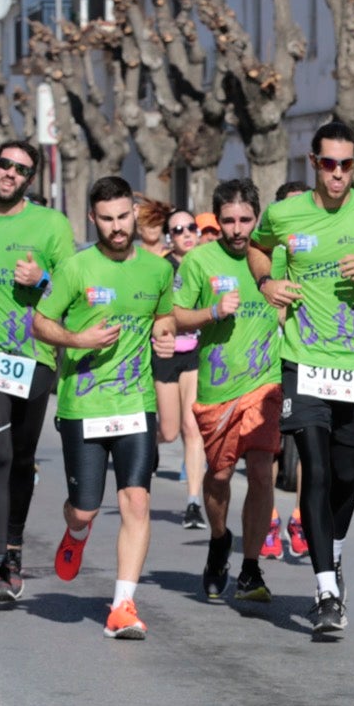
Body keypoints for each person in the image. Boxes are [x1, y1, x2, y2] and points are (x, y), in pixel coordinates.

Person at [247, 121, 354, 636]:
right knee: (316, 472)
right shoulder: (285, 213)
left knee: (346, 475)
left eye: (347, 165)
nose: (338, 174)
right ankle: (325, 592)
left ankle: (335, 552)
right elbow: (258, 246)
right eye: (329, 164)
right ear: (313, 162)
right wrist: (267, 282)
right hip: (303, 360)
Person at [33, 176, 178, 640]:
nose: (117, 227)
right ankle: (76, 533)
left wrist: (165, 332)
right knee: (86, 509)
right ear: (92, 219)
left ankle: (122, 605)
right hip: (84, 406)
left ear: (134, 214)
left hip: (136, 402)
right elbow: (39, 321)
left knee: (137, 500)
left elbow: (164, 314)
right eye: (107, 219)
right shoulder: (77, 269)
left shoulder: (157, 271)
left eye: (123, 217)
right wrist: (78, 339)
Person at [174, 179, 282, 601]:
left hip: (265, 384)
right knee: (218, 476)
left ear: (257, 218)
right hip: (217, 389)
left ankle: (251, 568)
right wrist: (211, 311)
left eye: (246, 220)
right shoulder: (200, 261)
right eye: (229, 221)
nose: (238, 229)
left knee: (260, 470)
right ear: (217, 222)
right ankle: (220, 540)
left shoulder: (272, 261)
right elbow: (176, 316)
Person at [0, 141, 73, 606]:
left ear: (29, 180)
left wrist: (41, 281)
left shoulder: (50, 225)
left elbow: (74, 289)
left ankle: (13, 548)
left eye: (21, 169)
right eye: (4, 164)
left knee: (20, 458)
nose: (10, 173)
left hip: (34, 358)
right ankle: (0, 564)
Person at [259, 180, 313, 562]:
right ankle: (268, 520)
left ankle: (300, 519)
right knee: (269, 447)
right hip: (268, 363)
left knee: (310, 447)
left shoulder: (318, 248)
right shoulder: (267, 255)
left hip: (309, 361)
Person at [154, 204, 208, 530]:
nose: (186, 234)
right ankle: (146, 442)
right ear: (168, 238)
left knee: (192, 426)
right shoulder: (160, 269)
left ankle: (192, 503)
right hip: (165, 355)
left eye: (191, 228)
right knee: (170, 430)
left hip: (195, 353)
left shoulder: (206, 263)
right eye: (178, 230)